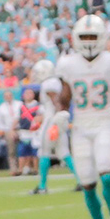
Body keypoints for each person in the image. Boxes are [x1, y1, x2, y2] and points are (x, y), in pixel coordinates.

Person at [55, 14, 110, 219]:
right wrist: (61, 111)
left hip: (104, 121)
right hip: (80, 125)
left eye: (93, 36)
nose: (88, 41)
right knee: (88, 183)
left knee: (106, 172)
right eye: (84, 36)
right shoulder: (68, 64)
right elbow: (65, 96)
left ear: (102, 38)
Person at [30, 58, 76, 194]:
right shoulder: (56, 82)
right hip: (57, 119)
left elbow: (56, 100)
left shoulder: (49, 83)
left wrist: (56, 118)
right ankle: (81, 181)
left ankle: (42, 186)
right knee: (64, 152)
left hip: (52, 121)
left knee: (44, 151)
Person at [0, 89, 22, 175]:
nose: (8, 97)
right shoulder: (1, 108)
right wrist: (9, 131)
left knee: (23, 149)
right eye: (6, 96)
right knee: (11, 151)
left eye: (9, 95)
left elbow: (21, 117)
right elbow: (0, 123)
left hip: (20, 129)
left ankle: (23, 167)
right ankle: (13, 169)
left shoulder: (19, 104)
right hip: (8, 131)